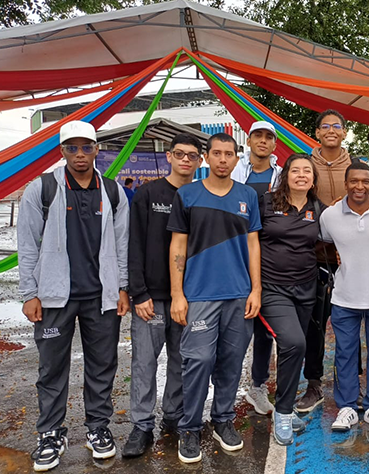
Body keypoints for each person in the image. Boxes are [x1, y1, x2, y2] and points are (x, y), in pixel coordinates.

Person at [17, 120, 130, 471]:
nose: (80, 154)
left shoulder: (112, 191)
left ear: (97, 149)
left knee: (102, 367)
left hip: (101, 297)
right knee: (52, 368)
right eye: (72, 148)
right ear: (61, 151)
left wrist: (122, 286)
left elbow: (123, 243)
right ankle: (51, 433)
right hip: (54, 297)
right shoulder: (44, 189)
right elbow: (26, 244)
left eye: (86, 147)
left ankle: (98, 428)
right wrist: (29, 293)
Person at [167, 133, 262, 464]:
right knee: (199, 361)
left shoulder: (247, 196)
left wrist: (256, 289)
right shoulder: (187, 194)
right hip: (200, 295)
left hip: (239, 295)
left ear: (238, 159)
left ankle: (223, 419)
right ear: (206, 157)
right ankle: (190, 427)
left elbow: (253, 245)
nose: (223, 159)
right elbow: (178, 245)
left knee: (231, 361)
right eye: (217, 153)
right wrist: (178, 294)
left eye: (229, 154)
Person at [122, 133, 204, 458]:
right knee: (144, 363)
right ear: (169, 156)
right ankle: (141, 425)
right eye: (180, 154)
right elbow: (134, 245)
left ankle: (173, 416)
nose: (186, 159)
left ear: (199, 161)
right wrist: (138, 292)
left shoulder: (202, 195)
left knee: (182, 362)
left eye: (192, 155)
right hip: (151, 298)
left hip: (189, 297)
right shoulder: (148, 194)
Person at [318, 161, 369, 433]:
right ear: (346, 184)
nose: (360, 186)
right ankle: (348, 408)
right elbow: (327, 242)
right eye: (354, 181)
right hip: (344, 297)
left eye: (365, 181)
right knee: (345, 354)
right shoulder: (329, 215)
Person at [258, 154, 326, 445]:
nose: (301, 175)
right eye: (295, 170)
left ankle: (284, 407)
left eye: (306, 171)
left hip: (306, 288)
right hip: (273, 288)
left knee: (295, 350)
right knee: (294, 343)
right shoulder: (266, 202)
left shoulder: (317, 208)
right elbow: (248, 242)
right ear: (285, 175)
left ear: (313, 179)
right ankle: (283, 412)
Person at [297, 110, 357, 413]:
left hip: (352, 258)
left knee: (354, 322)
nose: (331, 130)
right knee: (315, 323)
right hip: (316, 255)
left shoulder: (356, 166)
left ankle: (353, 383)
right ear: (317, 133)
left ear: (344, 132)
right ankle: (314, 383)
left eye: (337, 125)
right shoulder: (305, 166)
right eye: (325, 126)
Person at [231, 120, 283, 417]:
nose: (263, 141)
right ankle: (222, 387)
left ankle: (258, 385)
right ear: (248, 141)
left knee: (264, 327)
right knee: (234, 328)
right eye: (257, 136)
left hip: (270, 258)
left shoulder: (281, 176)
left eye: (268, 137)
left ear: (274, 145)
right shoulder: (235, 173)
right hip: (235, 257)